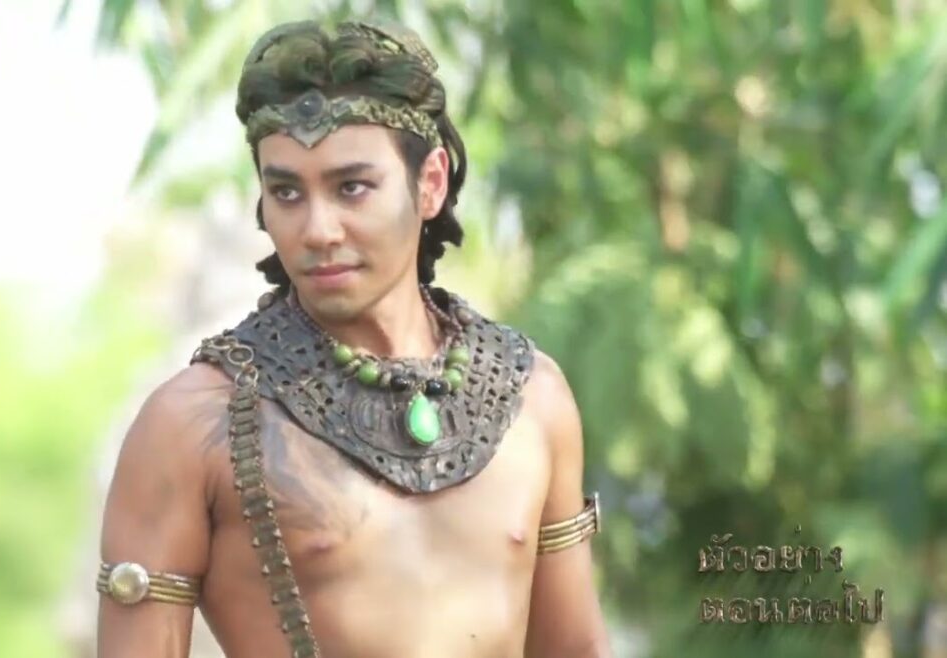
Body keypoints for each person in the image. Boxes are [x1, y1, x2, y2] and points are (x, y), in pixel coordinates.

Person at [96, 18, 611, 658]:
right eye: (287, 191)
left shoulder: (534, 397)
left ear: (431, 183)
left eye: (352, 188)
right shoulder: (190, 424)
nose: (318, 229)